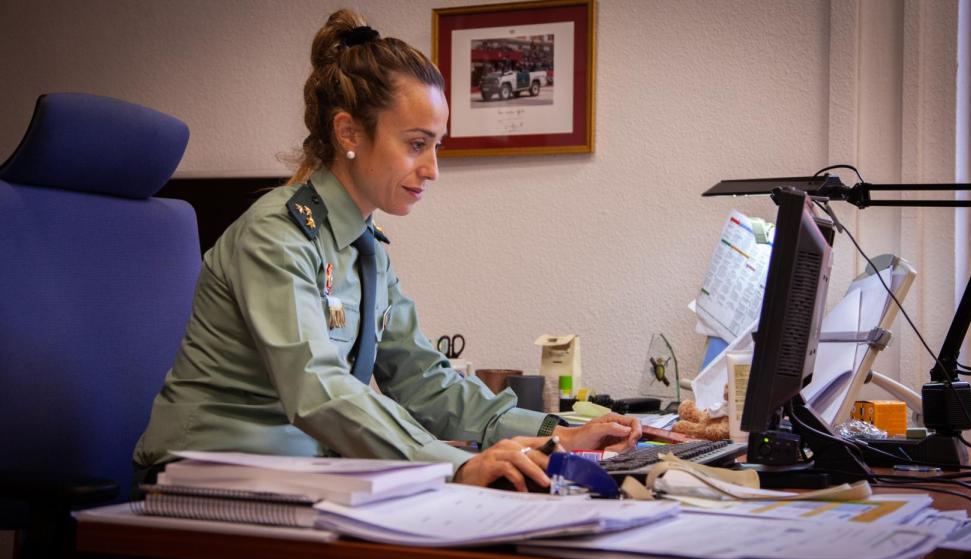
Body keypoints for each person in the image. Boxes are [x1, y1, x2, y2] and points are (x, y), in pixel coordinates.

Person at [133, 9, 640, 492]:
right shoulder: (275, 235)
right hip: (206, 476)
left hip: (297, 476)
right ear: (349, 131)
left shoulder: (366, 248)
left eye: (437, 145)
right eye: (417, 143)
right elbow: (316, 389)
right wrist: (459, 465)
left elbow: (423, 379)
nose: (433, 169)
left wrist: (554, 432)